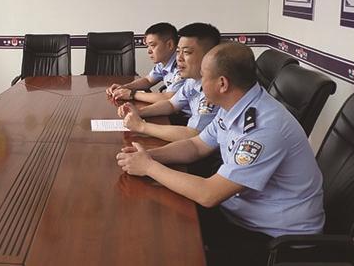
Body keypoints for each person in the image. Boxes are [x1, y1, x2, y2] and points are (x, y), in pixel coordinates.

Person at [116, 42, 324, 266]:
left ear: (222, 83)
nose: (198, 81)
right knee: (159, 214)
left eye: (203, 76)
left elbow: (209, 194)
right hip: (241, 212)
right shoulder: (235, 105)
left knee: (165, 245)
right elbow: (196, 146)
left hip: (276, 241)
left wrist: (149, 167)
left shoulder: (264, 128)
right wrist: (149, 156)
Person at [118, 22, 221, 142]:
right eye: (178, 52)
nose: (179, 58)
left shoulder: (213, 89)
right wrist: (139, 112)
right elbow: (171, 104)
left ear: (209, 56)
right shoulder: (193, 80)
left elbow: (193, 135)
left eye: (187, 52)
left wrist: (141, 126)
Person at [106, 22, 185, 104]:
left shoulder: (182, 65)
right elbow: (148, 80)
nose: (149, 51)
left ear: (170, 45)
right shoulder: (163, 62)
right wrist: (124, 87)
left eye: (152, 45)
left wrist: (132, 94)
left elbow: (169, 98)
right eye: (147, 46)